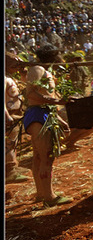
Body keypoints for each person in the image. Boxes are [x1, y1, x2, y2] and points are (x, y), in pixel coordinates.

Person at [23, 44, 74, 206]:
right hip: (38, 114)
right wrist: (57, 101)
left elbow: (47, 96)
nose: (61, 59)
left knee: (40, 156)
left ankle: (41, 194)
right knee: (46, 156)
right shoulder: (37, 69)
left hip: (44, 113)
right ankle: (49, 196)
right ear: (53, 57)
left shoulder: (44, 71)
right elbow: (31, 94)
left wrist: (60, 119)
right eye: (58, 56)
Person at [5, 53, 31, 183]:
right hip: (9, 115)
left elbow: (27, 84)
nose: (17, 66)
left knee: (13, 141)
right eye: (14, 64)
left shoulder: (10, 77)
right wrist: (7, 116)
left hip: (15, 114)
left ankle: (13, 166)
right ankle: (9, 171)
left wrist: (23, 73)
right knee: (8, 143)